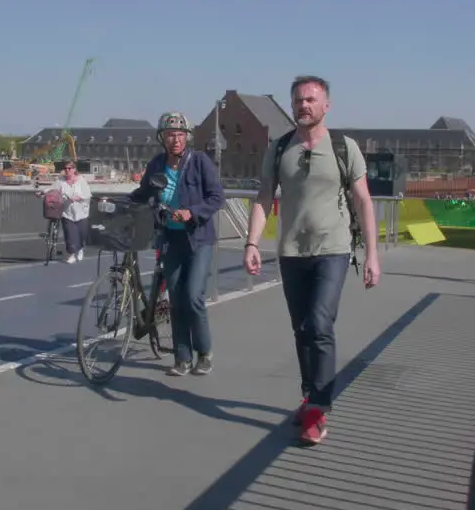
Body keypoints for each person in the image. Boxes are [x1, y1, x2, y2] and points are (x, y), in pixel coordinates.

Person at [243, 75, 380, 446]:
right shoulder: (280, 147)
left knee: (320, 322)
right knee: (302, 328)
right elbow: (263, 196)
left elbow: (364, 201)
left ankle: (319, 410)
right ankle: (309, 395)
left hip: (332, 249)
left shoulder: (344, 147)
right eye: (298, 100)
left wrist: (372, 255)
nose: (304, 105)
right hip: (291, 252)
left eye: (311, 100)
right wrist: (252, 242)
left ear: (326, 105)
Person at [128, 111, 225, 376]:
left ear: (187, 138)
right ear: (162, 138)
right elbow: (143, 193)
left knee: (193, 297)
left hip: (198, 240)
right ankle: (182, 358)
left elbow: (217, 197)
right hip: (170, 239)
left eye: (180, 135)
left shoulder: (200, 162)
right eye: (170, 135)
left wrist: (192, 212)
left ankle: (204, 353)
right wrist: (120, 206)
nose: (175, 140)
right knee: (176, 300)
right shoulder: (157, 164)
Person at [54, 159, 91, 263]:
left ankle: (80, 249)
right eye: (65, 168)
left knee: (81, 233)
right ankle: (71, 255)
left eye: (69, 168)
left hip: (81, 212)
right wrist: (43, 193)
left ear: (74, 169)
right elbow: (53, 190)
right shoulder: (60, 180)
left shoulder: (81, 180)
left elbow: (87, 194)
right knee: (69, 234)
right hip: (67, 212)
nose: (67, 170)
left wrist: (78, 197)